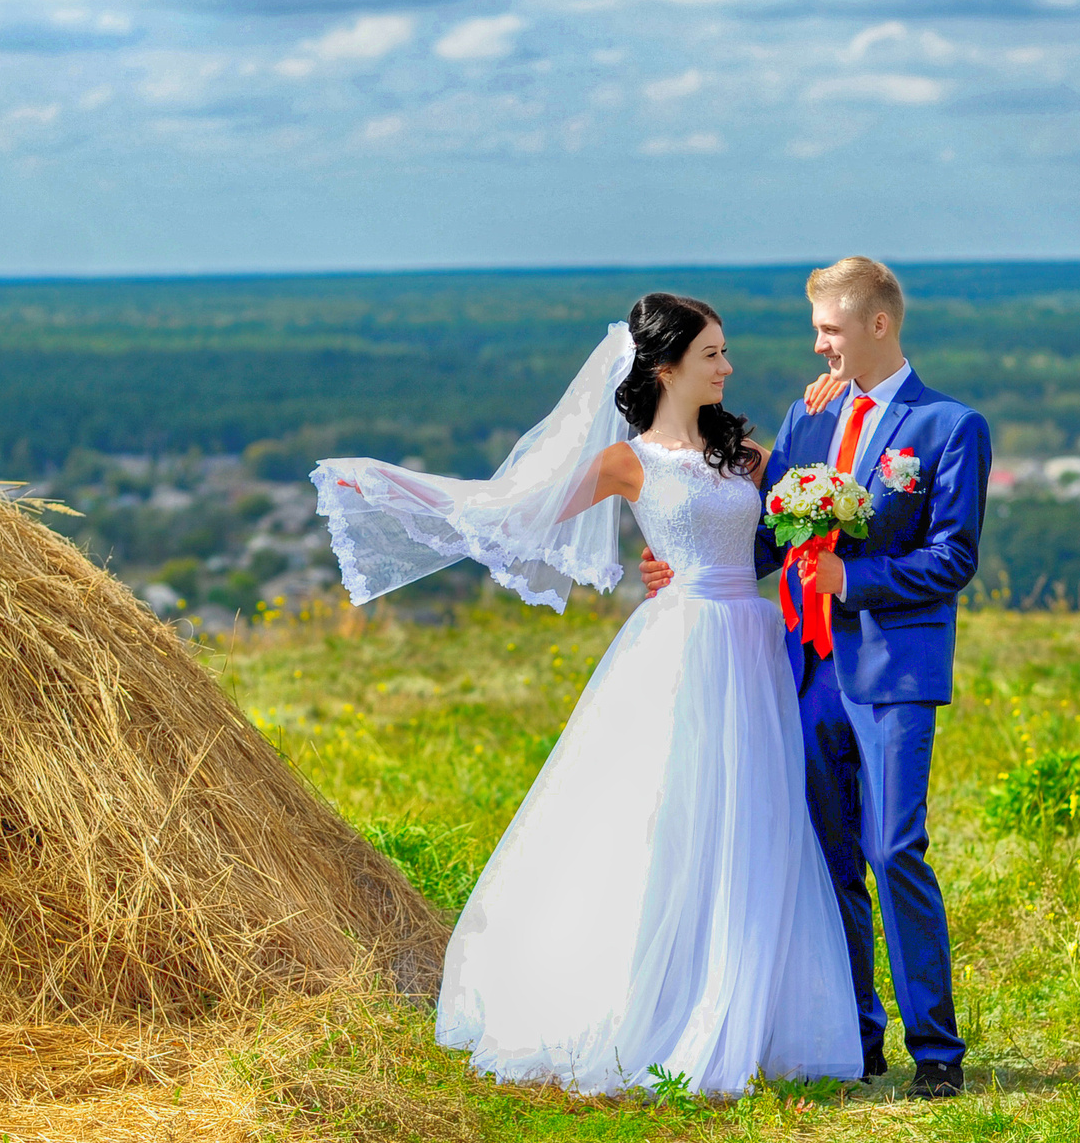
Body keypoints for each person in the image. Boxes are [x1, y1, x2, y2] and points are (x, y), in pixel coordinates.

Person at [311, 294, 861, 1096]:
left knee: (755, 815)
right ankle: (651, 1000)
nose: (728, 366)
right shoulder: (626, 462)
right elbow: (511, 511)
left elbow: (809, 504)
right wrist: (397, 488)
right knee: (665, 813)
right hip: (681, 647)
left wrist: (834, 399)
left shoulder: (746, 454)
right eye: (713, 353)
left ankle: (752, 1010)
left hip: (752, 644)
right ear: (666, 367)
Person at [642, 257, 990, 1099]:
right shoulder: (806, 415)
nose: (819, 345)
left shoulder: (950, 427)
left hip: (892, 667)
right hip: (801, 669)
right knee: (827, 854)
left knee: (893, 846)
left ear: (878, 325)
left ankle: (936, 1051)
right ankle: (854, 1035)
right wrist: (689, 567)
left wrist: (855, 582)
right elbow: (767, 531)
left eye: (830, 330)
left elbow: (954, 557)